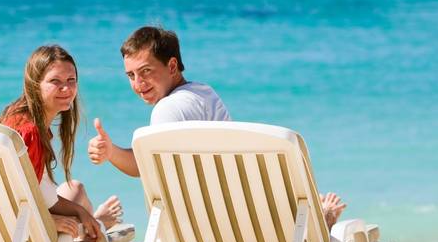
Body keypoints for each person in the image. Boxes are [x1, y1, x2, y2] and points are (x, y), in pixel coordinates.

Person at [87, 26, 347, 226]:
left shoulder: (168, 109)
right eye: (131, 75)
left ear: (172, 65)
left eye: (145, 71)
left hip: (205, 230)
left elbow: (143, 166)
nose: (137, 83)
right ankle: (315, 218)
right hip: (239, 218)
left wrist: (111, 153)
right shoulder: (204, 93)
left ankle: (319, 218)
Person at [0, 45, 123, 240]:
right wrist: (49, 221)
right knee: (80, 203)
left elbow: (38, 195)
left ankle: (93, 223)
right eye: (55, 81)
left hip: (16, 230)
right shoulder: (27, 134)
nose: (66, 88)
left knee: (77, 189)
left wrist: (82, 213)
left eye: (71, 80)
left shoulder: (18, 119)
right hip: (22, 239)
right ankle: (98, 225)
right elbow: (6, 198)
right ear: (34, 84)